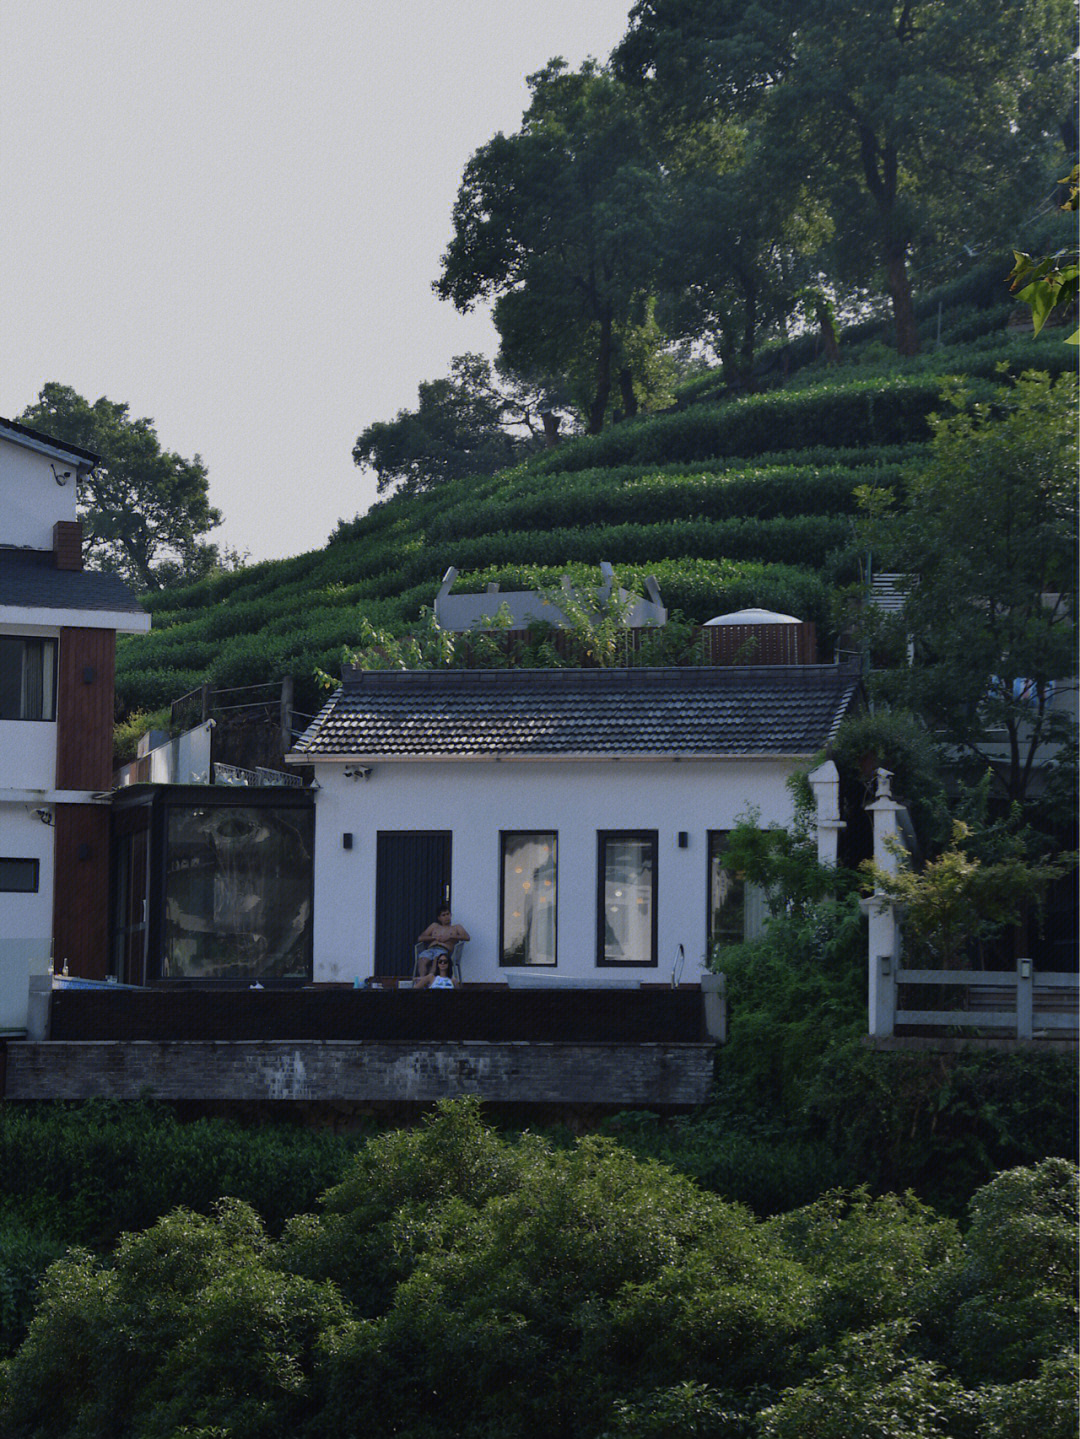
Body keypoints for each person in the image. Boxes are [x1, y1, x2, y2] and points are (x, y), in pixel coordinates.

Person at [415, 908, 469, 978]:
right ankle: (423, 981)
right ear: (439, 918)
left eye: (448, 914)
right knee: (422, 961)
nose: (446, 917)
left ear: (451, 915)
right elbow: (420, 938)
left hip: (443, 950)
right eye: (443, 915)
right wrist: (434, 937)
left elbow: (467, 937)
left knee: (436, 960)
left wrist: (450, 937)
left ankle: (430, 982)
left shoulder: (456, 927)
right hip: (431, 949)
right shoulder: (434, 926)